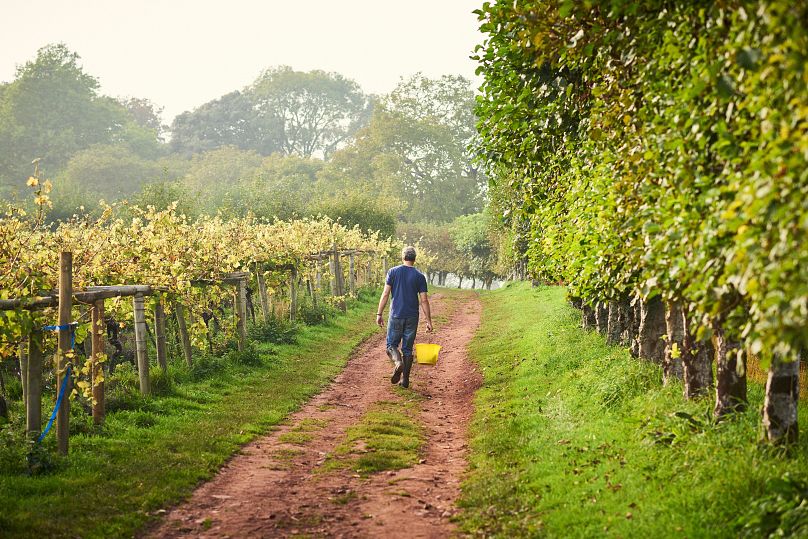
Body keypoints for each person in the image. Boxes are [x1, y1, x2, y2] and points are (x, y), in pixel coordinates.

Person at [375, 246, 433, 388]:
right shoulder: (419, 276)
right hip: (412, 316)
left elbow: (385, 294)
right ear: (415, 259)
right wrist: (429, 321)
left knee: (391, 345)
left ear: (403, 257)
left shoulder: (393, 272)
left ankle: (398, 362)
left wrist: (379, 313)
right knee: (407, 349)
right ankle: (405, 380)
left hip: (396, 314)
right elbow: (424, 300)